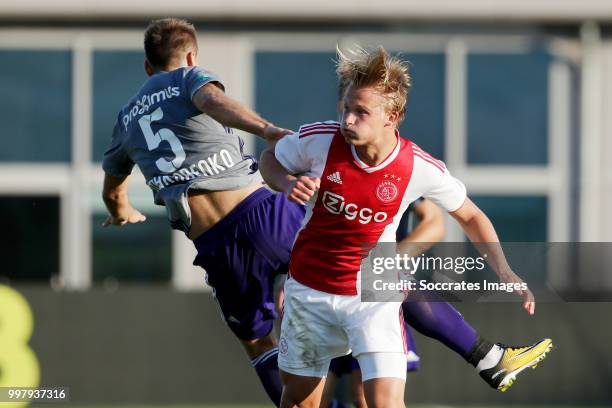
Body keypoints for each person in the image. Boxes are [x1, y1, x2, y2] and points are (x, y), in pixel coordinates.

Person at [101, 18, 550, 407]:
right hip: (263, 213)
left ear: (146, 66)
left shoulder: (125, 119)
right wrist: (268, 130)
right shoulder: (190, 80)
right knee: (369, 272)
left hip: (216, 245)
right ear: (192, 55)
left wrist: (120, 211)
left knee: (259, 340)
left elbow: (114, 185)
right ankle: (486, 354)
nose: (349, 119)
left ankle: (433, 356)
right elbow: (216, 105)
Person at [259, 46, 552, 407]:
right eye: (346, 108)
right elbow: (269, 158)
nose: (348, 119)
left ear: (392, 116)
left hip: (372, 297)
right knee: (299, 403)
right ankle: (490, 357)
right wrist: (286, 183)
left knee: (383, 403)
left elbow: (471, 215)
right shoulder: (320, 140)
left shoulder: (417, 166)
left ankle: (490, 357)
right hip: (309, 292)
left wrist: (504, 270)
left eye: (361, 112)